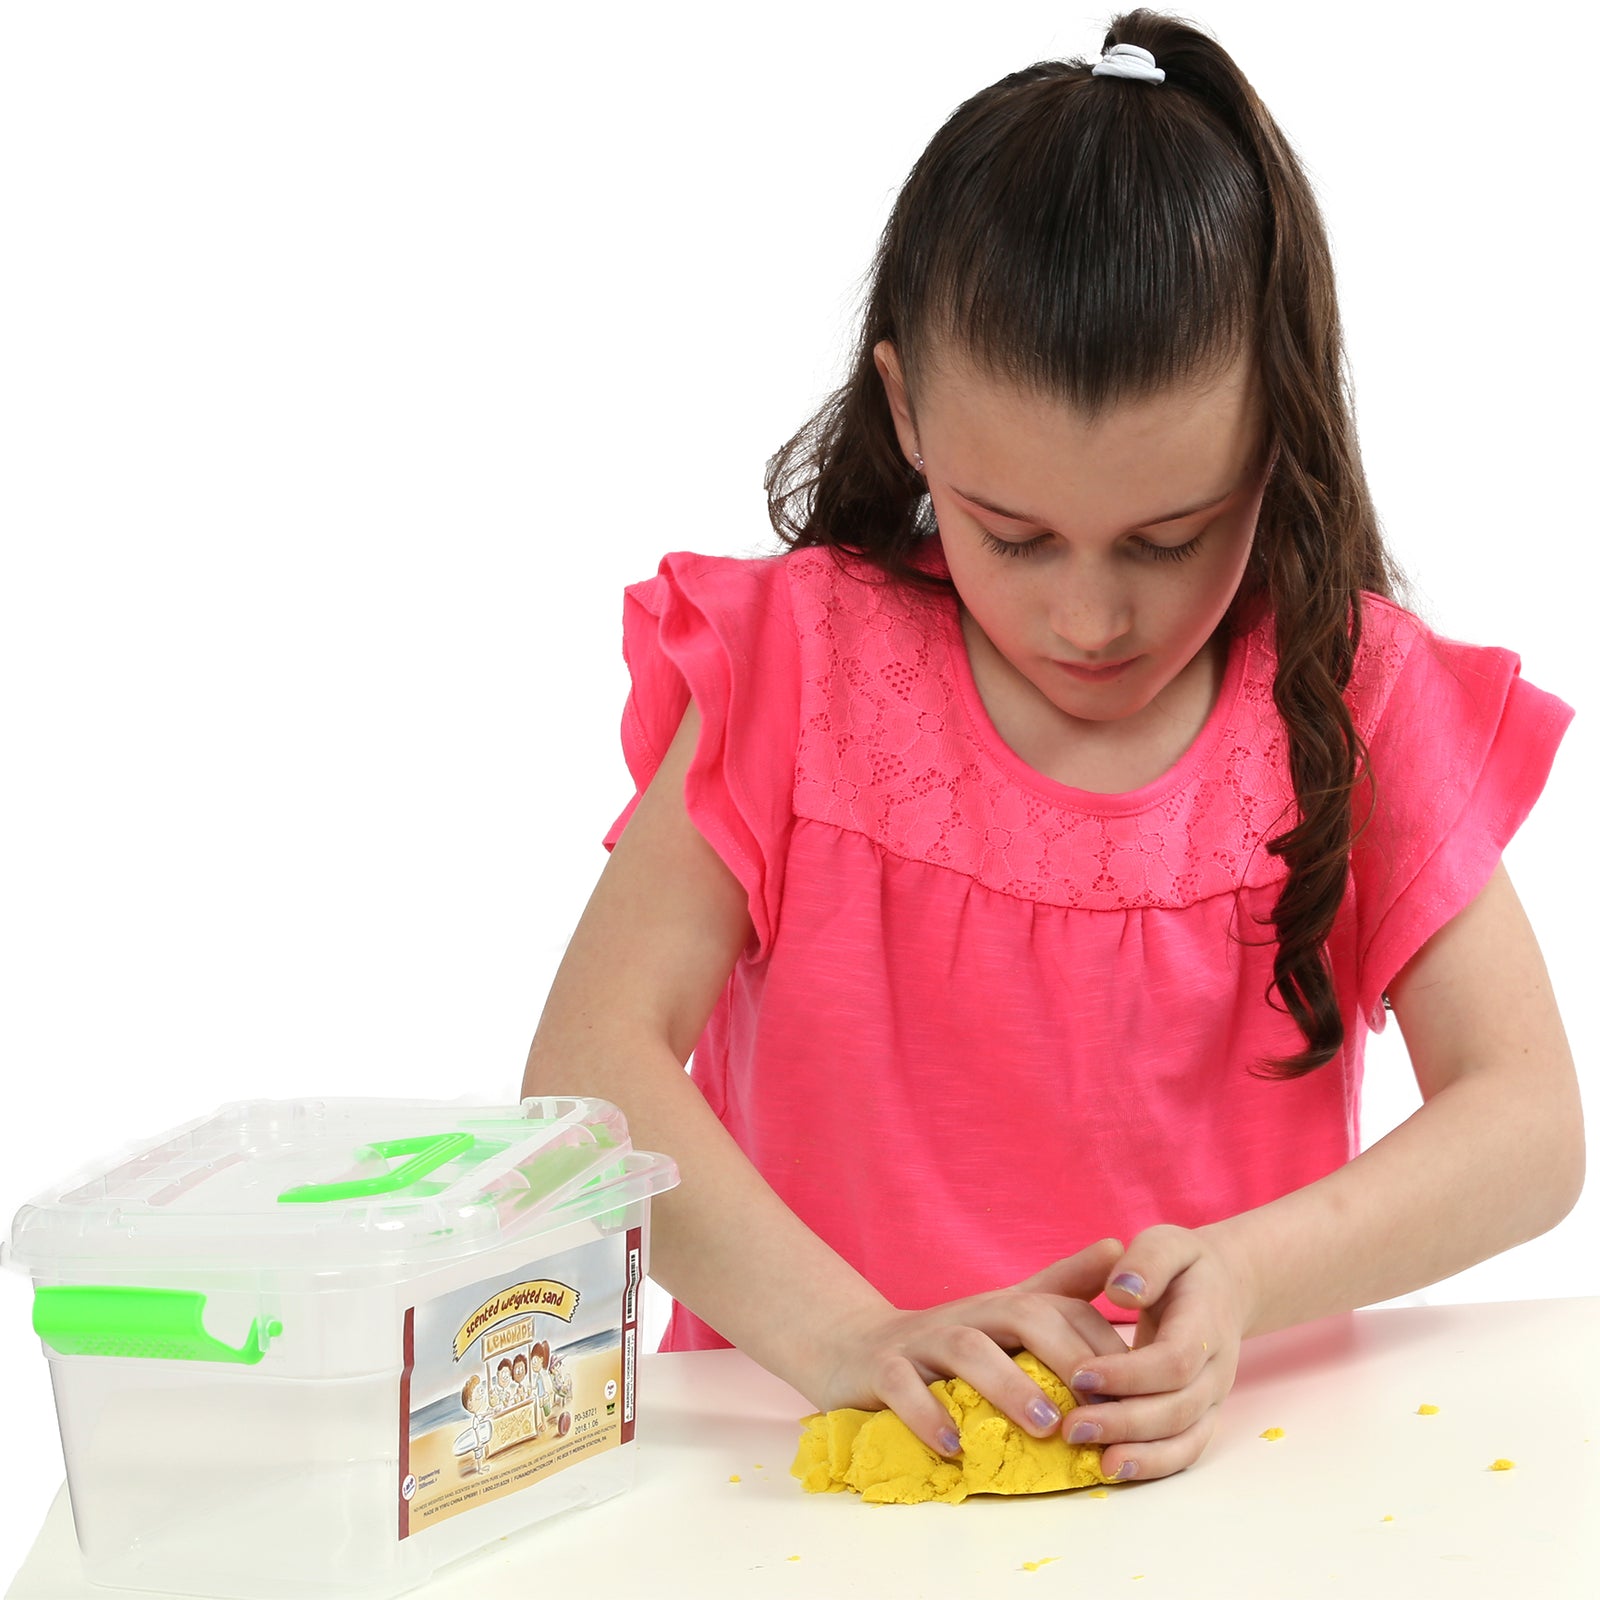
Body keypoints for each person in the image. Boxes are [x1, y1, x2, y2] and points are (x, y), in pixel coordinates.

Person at [521, 10, 1582, 1485]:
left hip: (1238, 1492)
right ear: (906, 411)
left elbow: (1531, 1121)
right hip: (792, 1492)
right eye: (1013, 535)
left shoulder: (1350, 690)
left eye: (1168, 537)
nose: (1090, 615)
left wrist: (1248, 1279)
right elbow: (585, 1079)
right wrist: (851, 1335)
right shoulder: (793, 671)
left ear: (1276, 438)